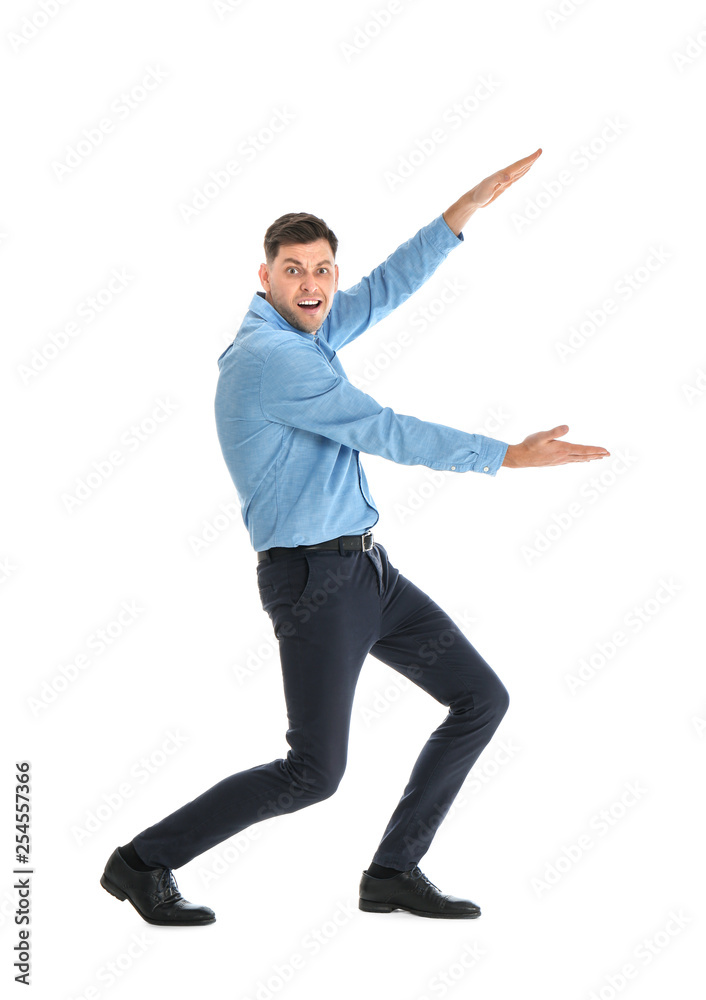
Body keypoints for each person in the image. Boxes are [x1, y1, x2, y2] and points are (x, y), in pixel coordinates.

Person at [100, 147, 610, 925]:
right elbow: (385, 430)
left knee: (479, 699)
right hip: (315, 586)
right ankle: (142, 863)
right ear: (263, 276)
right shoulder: (274, 360)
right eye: (296, 269)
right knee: (312, 772)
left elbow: (385, 291)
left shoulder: (304, 332)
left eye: (324, 270)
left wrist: (460, 214)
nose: (314, 284)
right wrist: (506, 456)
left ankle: (393, 873)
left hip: (370, 575)